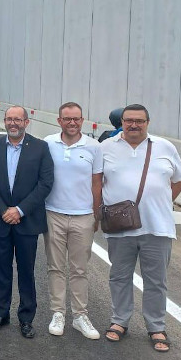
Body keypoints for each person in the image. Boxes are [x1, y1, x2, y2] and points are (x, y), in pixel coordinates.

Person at [100, 104, 181, 352]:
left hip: (157, 227)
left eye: (139, 121)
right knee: (119, 277)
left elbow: (180, 178)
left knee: (156, 281)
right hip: (119, 227)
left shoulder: (165, 147)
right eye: (129, 120)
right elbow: (97, 181)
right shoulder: (106, 147)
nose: (134, 125)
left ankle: (156, 326)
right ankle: (119, 321)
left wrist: (161, 202)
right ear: (122, 122)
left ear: (148, 123)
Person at [0, 106, 53, 338]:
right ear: (4, 121)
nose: (13, 123)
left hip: (27, 220)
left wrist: (19, 210)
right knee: (0, 269)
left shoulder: (40, 148)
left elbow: (45, 183)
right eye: (9, 119)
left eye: (18, 119)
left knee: (26, 271)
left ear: (26, 122)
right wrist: (4, 210)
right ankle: (0, 313)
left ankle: (26, 318)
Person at [42, 102, 102, 339]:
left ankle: (80, 315)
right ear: (59, 121)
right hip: (53, 214)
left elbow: (97, 183)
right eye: (67, 119)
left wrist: (96, 214)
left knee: (79, 269)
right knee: (55, 267)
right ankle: (58, 313)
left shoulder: (94, 147)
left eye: (76, 118)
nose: (72, 123)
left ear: (82, 120)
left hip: (83, 216)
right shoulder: (48, 143)